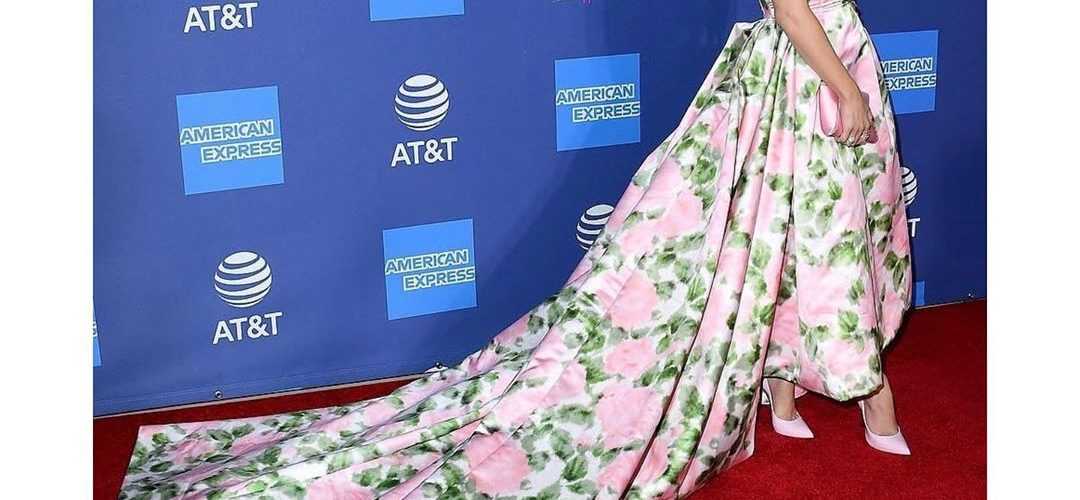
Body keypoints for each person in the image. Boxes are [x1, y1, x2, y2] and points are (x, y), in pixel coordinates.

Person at [119, 0, 913, 498]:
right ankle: (866, 394)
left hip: (808, 68)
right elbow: (791, 4)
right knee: (825, 237)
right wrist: (842, 87)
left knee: (785, 228)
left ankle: (780, 390)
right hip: (810, 77)